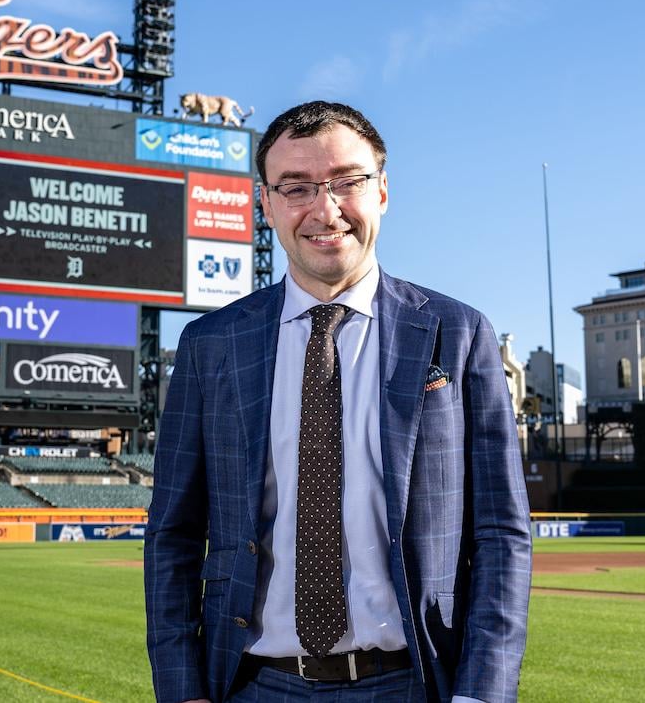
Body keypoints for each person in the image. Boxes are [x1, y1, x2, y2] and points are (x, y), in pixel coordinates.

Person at [144, 101, 531, 703]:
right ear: (266, 204)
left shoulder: (458, 333)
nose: (325, 210)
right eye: (295, 188)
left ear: (382, 192)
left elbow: (501, 531)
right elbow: (173, 533)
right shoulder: (210, 344)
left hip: (414, 683)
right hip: (252, 686)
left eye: (347, 182)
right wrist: (181, 688)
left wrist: (483, 692)